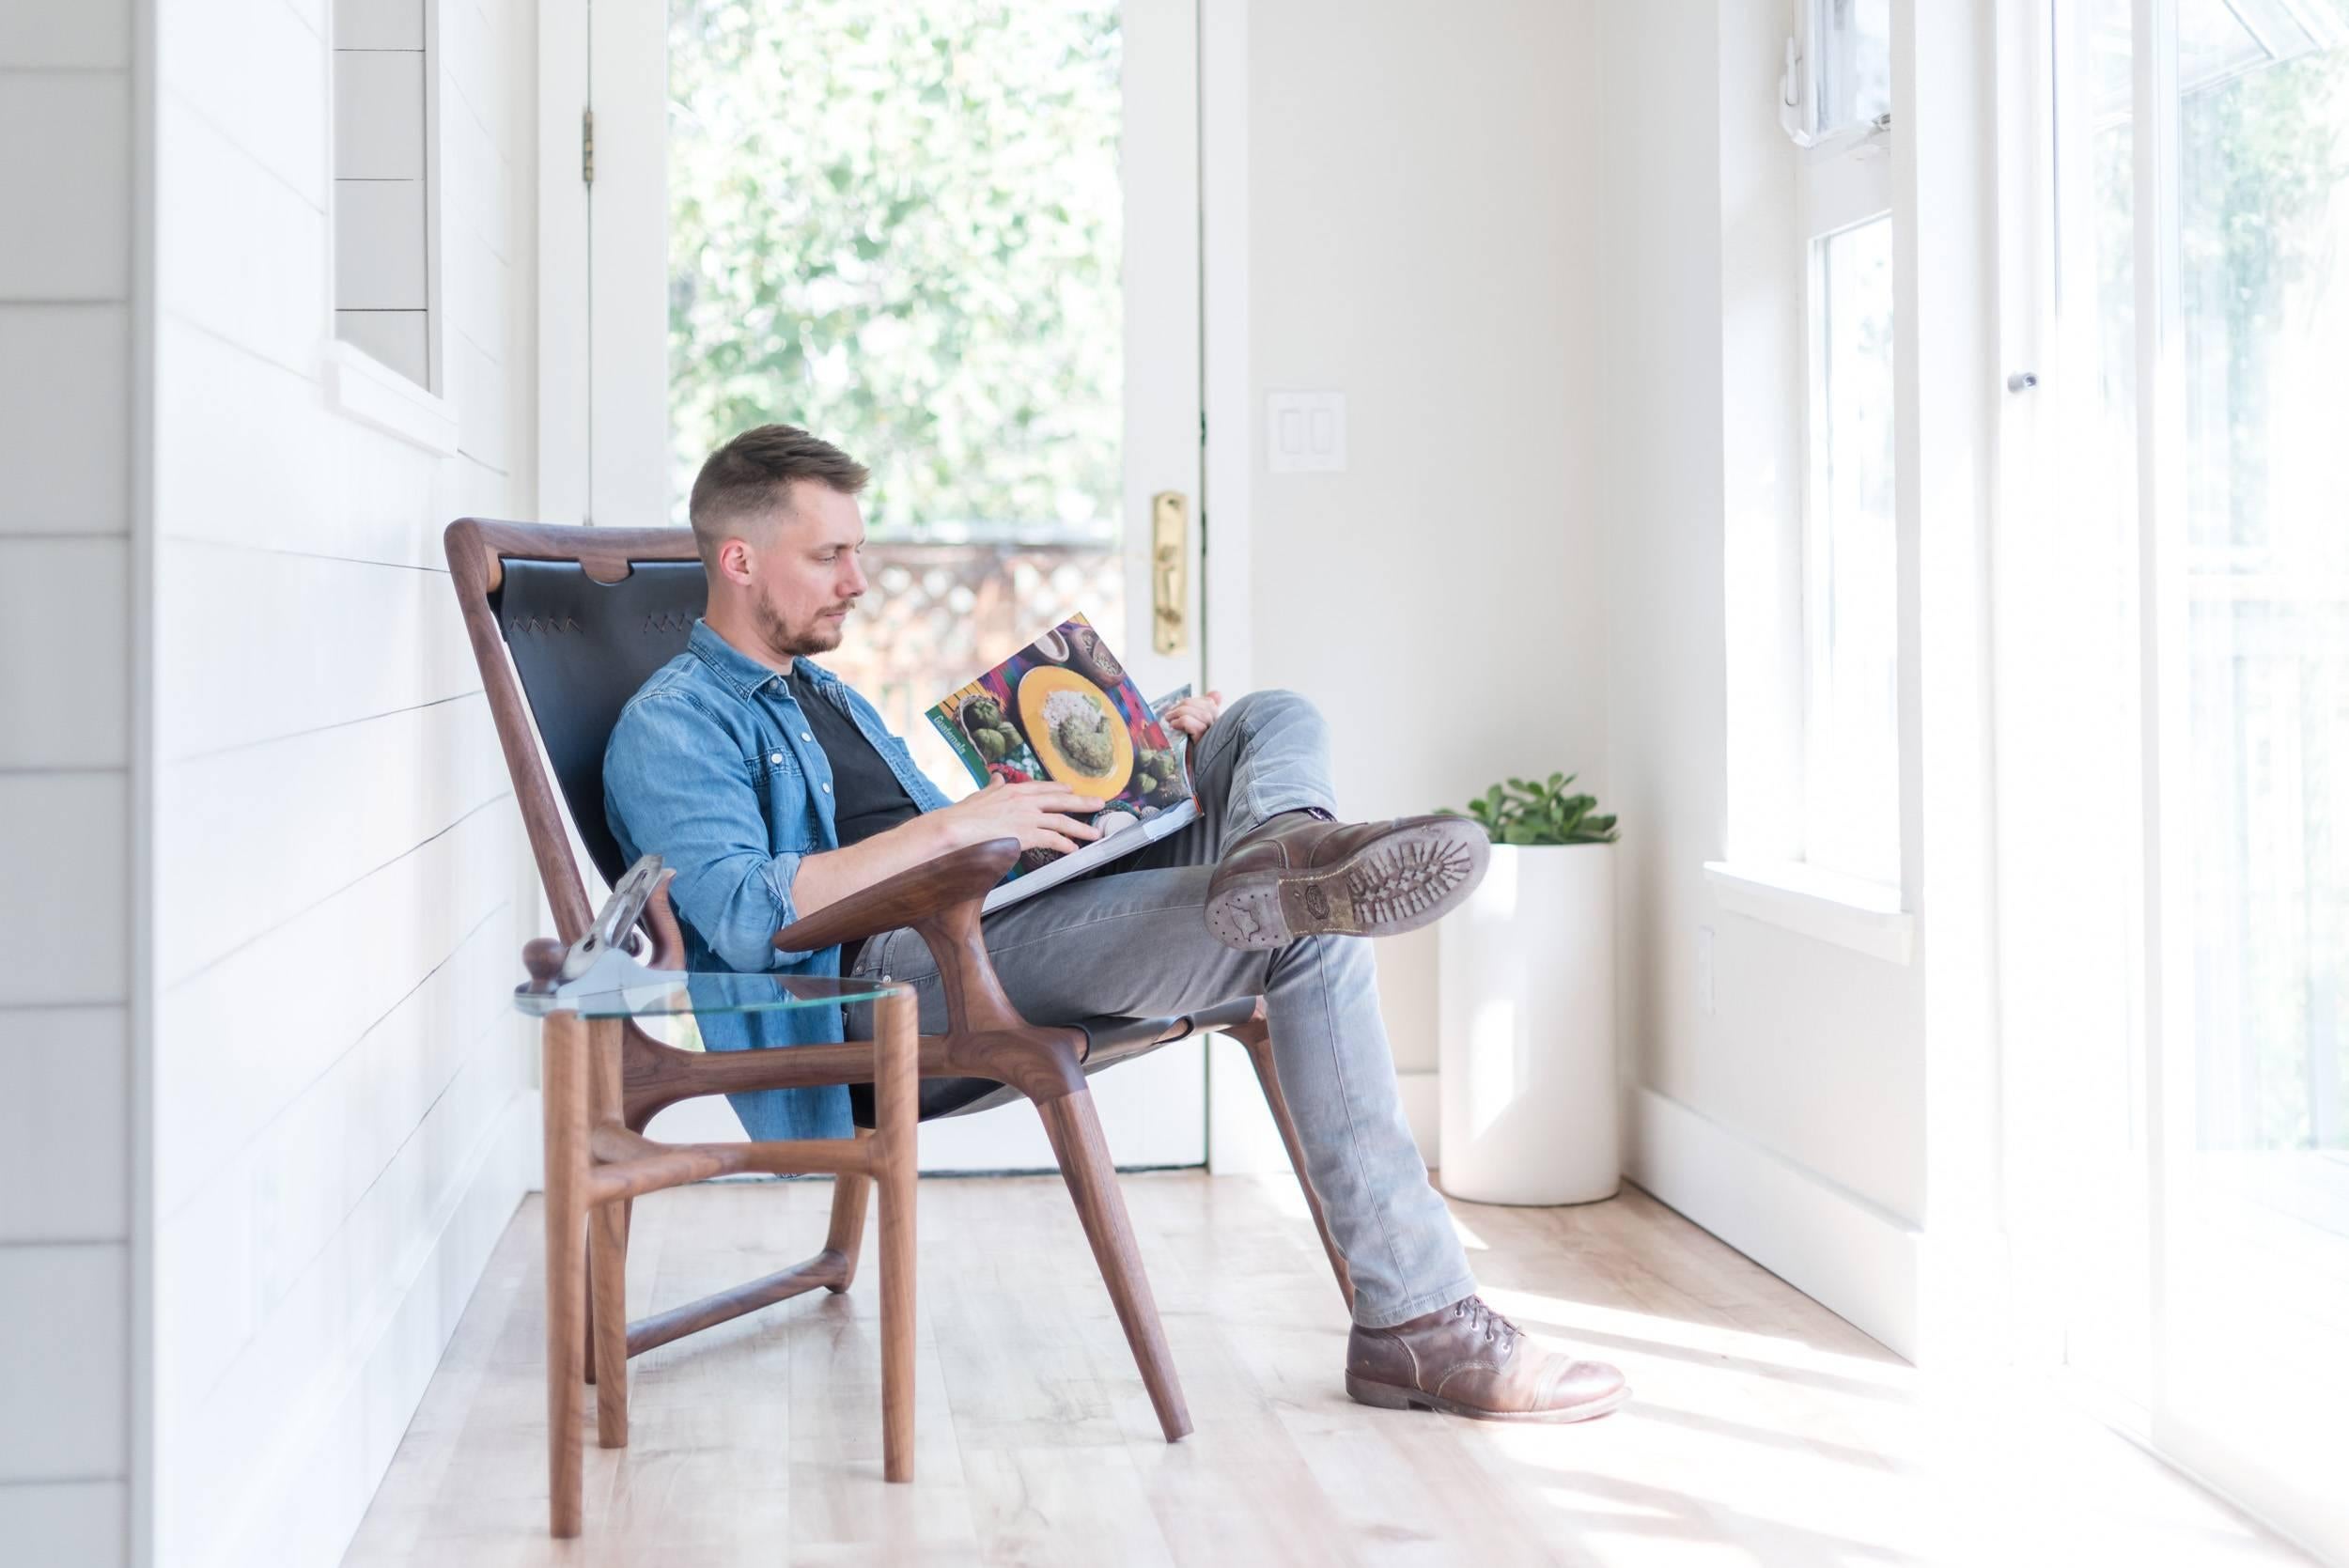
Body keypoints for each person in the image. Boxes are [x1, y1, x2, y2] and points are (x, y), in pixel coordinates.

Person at [603, 424, 1628, 1422]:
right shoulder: (671, 721)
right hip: (892, 984)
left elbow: (927, 837)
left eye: (858, 552)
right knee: (1305, 931)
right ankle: (1422, 1322)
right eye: (829, 555)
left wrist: (1118, 785)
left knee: (1259, 721)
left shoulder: (819, 693)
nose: (857, 580)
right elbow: (742, 917)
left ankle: (1283, 841)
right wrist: (961, 827)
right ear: (738, 558)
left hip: (992, 913)